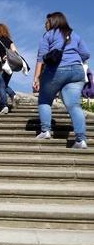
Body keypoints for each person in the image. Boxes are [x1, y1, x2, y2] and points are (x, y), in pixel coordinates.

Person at [33, 12, 90, 149]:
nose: (44, 25)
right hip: (76, 72)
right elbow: (86, 53)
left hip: (56, 71)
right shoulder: (74, 34)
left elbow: (41, 57)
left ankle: (46, 130)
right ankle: (81, 140)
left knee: (45, 100)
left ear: (53, 22)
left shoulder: (48, 35)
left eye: (46, 22)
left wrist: (36, 77)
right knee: (74, 105)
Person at [0, 23, 20, 115]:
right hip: (10, 65)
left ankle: (4, 106)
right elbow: (15, 51)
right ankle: (13, 95)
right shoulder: (9, 40)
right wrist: (8, 55)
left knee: (1, 86)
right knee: (5, 84)